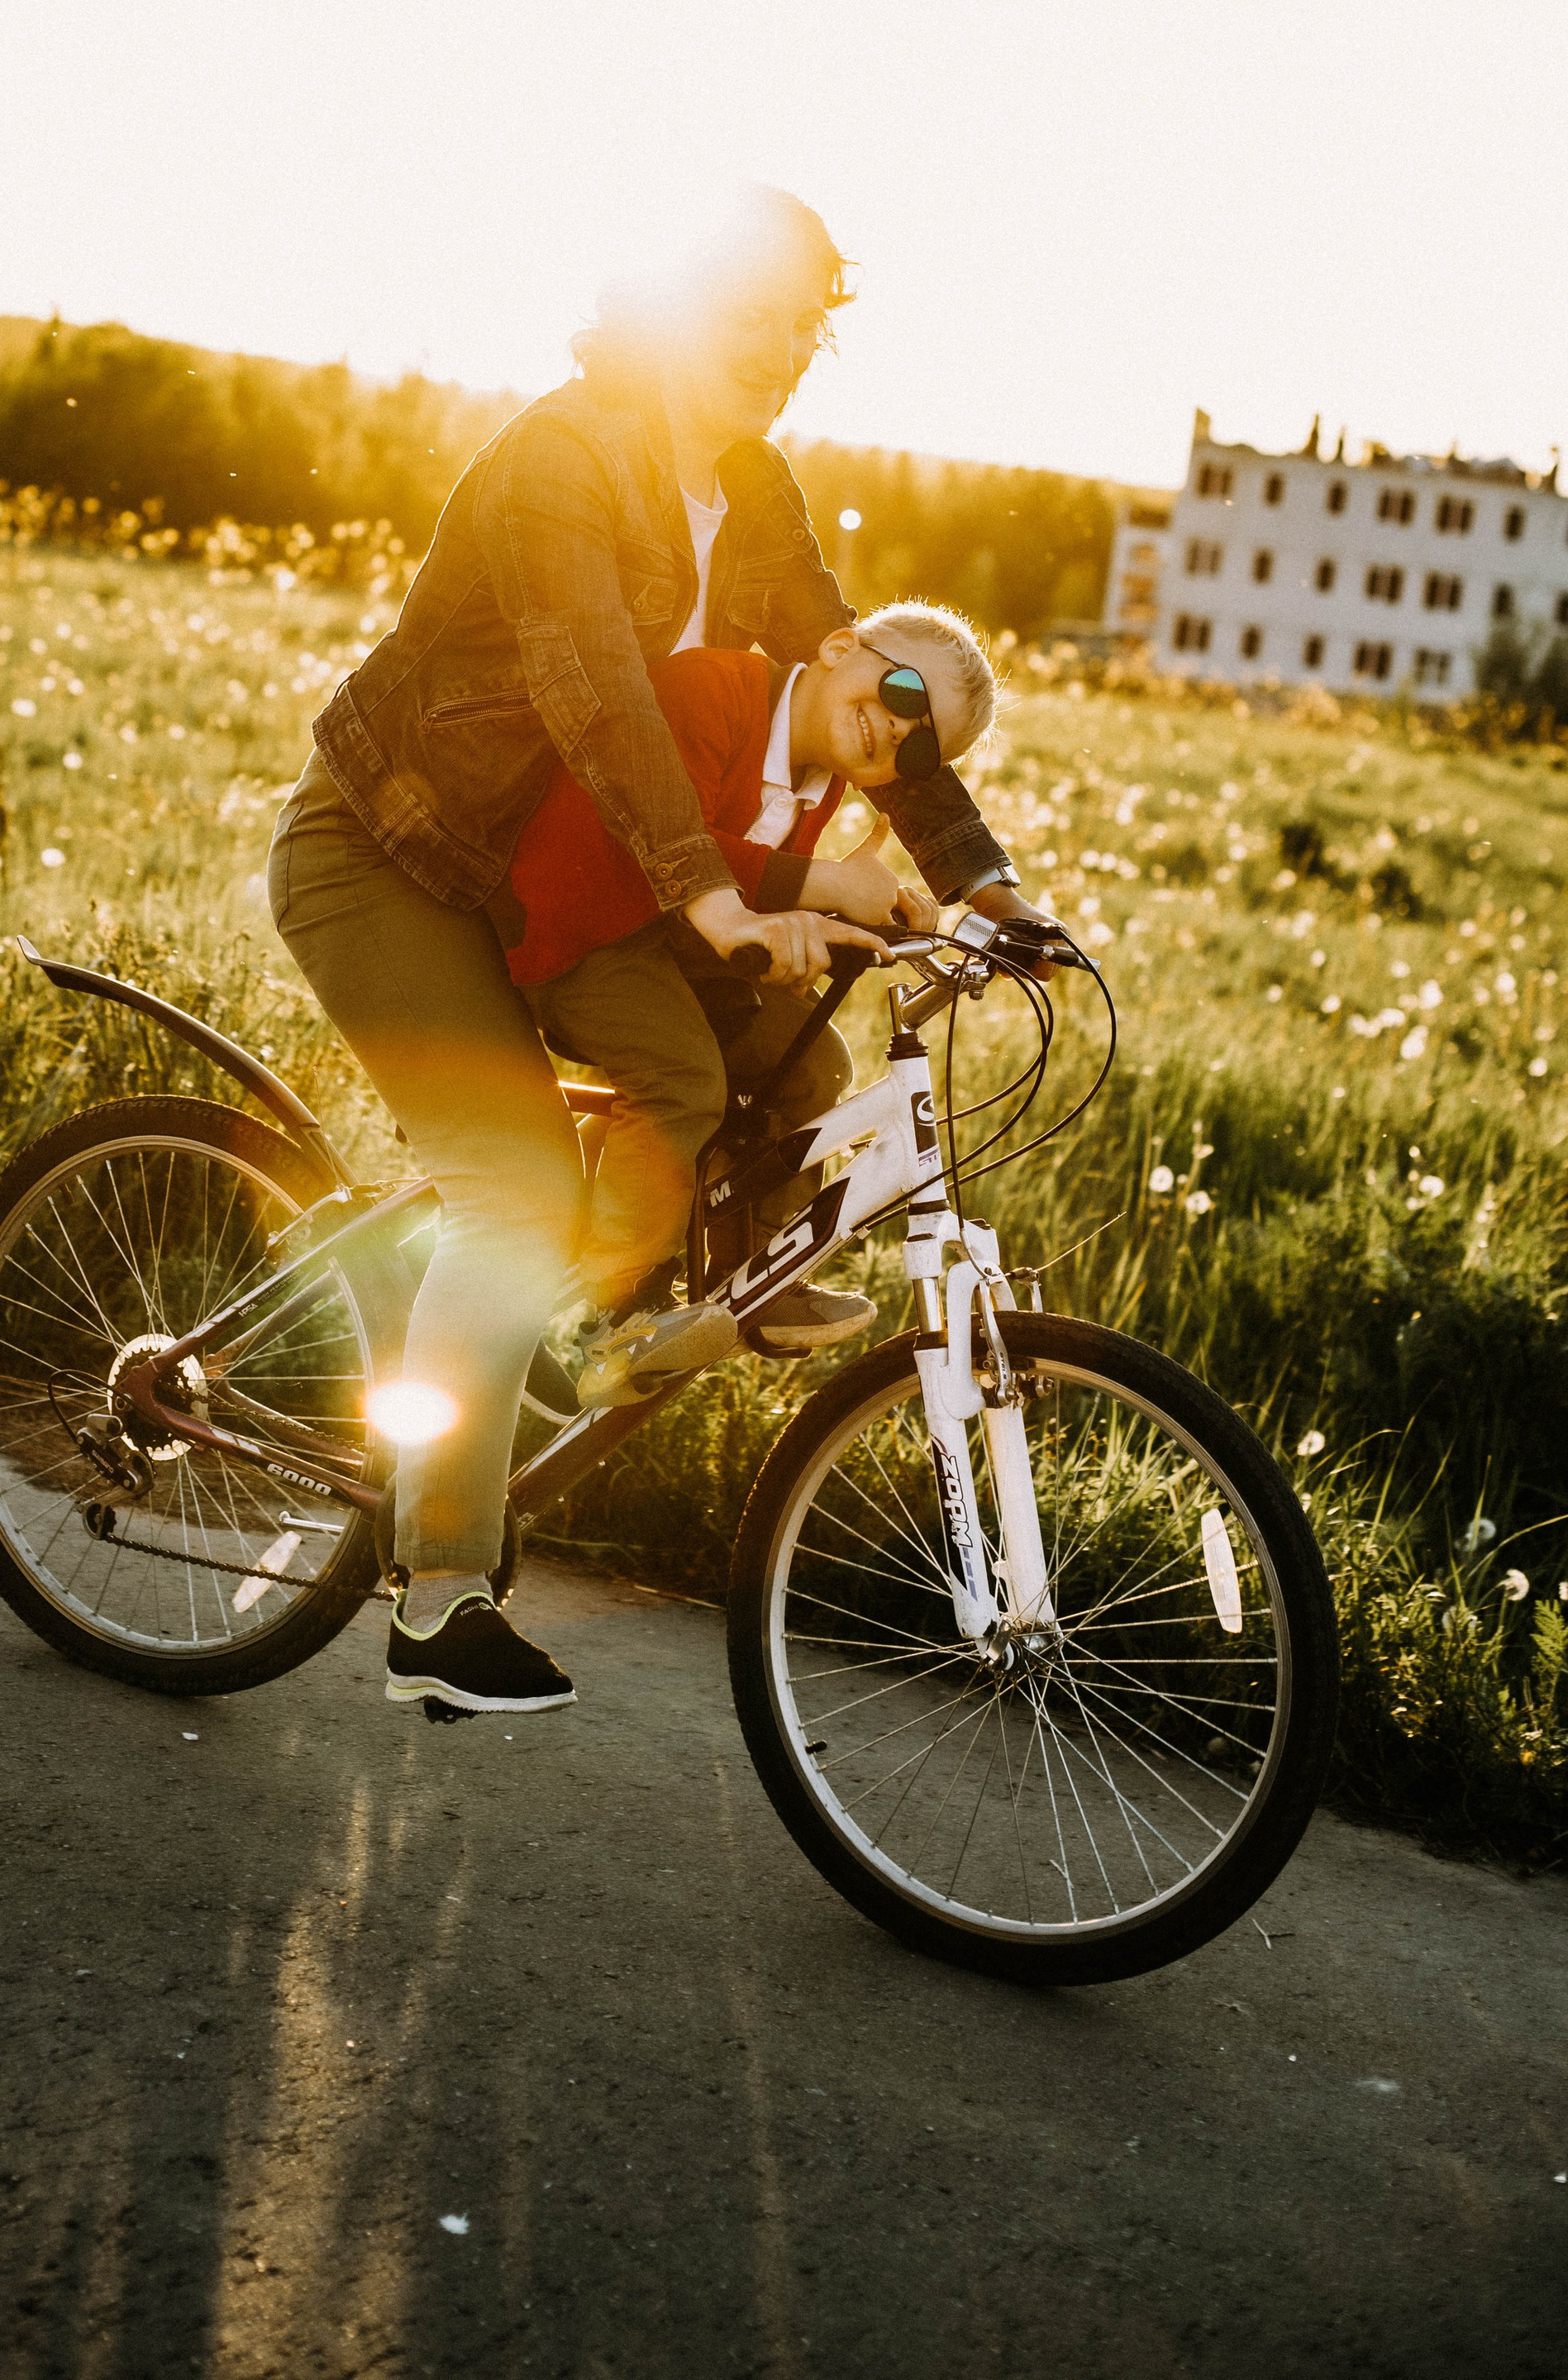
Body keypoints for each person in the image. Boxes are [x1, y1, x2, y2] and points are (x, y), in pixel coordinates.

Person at [265, 186, 1047, 1721]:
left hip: (575, 887)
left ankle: (615, 1320)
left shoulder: (752, 491)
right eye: (749, 320)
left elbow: (874, 691)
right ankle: (436, 1589)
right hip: (399, 859)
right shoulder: (564, 459)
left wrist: (991, 885)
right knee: (510, 1194)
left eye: (804, 328)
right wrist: (717, 897)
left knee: (783, 1058)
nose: (778, 355)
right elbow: (597, 698)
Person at [502, 603, 998, 1398]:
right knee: (683, 1080)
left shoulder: (821, 781)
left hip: (665, 946)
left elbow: (749, 890)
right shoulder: (714, 691)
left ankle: (758, 1272)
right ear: (840, 647)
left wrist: (849, 914)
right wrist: (827, 882)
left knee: (810, 1062)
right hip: (576, 930)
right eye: (904, 695)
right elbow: (669, 844)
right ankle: (610, 1315)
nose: (898, 732)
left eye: (923, 748)